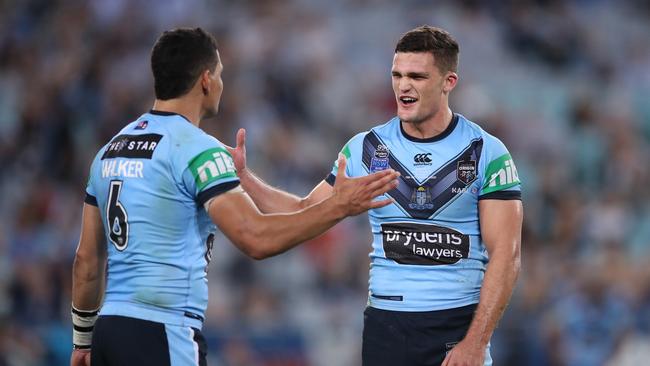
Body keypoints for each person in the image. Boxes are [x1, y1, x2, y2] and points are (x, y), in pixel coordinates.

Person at [69, 27, 399, 366]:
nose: (223, 85)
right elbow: (256, 238)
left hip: (108, 332)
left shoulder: (109, 151)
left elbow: (87, 261)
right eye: (221, 75)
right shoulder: (196, 147)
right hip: (163, 330)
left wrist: (82, 340)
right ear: (206, 80)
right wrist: (340, 205)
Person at [228, 25, 523, 366]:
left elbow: (507, 254)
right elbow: (305, 209)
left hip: (457, 326)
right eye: (396, 75)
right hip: (387, 326)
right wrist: (244, 177)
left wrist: (475, 343)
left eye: (417, 76)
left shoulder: (486, 152)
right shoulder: (365, 149)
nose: (403, 85)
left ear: (448, 82)